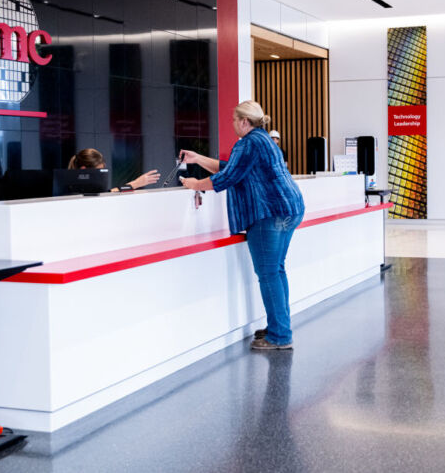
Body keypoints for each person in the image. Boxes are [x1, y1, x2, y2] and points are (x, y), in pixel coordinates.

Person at [178, 100, 305, 350]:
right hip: (289, 208)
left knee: (269, 273)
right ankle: (279, 327)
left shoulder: (248, 143)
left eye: (235, 120)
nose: (233, 124)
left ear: (244, 122)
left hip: (268, 212)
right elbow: (233, 168)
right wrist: (198, 159)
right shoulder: (263, 139)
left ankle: (280, 336)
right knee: (276, 271)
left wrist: (194, 184)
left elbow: (227, 177)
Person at [68, 148, 160, 191]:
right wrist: (136, 183)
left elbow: (109, 193)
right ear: (84, 169)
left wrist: (136, 184)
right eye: (98, 172)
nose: (101, 176)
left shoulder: (91, 187)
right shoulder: (71, 190)